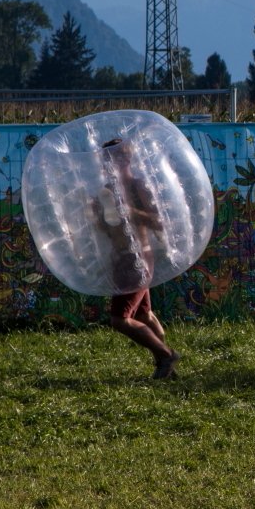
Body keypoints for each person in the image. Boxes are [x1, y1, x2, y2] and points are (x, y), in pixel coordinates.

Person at [95, 137, 180, 380]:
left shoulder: (136, 186)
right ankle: (166, 366)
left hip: (137, 258)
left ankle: (165, 355)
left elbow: (157, 221)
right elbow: (108, 228)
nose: (108, 163)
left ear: (127, 159)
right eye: (106, 159)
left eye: (114, 158)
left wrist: (130, 211)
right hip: (122, 259)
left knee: (119, 320)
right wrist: (97, 215)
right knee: (144, 315)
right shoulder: (106, 192)